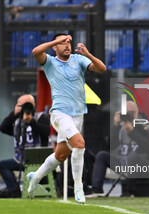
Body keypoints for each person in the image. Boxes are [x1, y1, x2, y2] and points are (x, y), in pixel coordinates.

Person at [27, 33, 106, 204]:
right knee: (80, 144)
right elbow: (35, 51)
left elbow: (102, 69)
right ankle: (79, 187)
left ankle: (35, 176)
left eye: (69, 42)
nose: (67, 45)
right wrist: (57, 40)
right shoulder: (50, 62)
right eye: (63, 43)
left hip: (78, 114)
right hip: (60, 114)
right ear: (55, 47)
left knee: (60, 155)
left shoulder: (78, 60)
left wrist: (88, 55)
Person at [88, 101, 149, 197]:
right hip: (125, 165)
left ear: (137, 112)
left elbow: (148, 146)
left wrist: (132, 131)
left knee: (133, 156)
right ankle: (97, 190)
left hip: (147, 167)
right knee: (102, 156)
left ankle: (129, 192)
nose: (129, 115)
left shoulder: (146, 125)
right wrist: (115, 125)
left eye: (132, 112)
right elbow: (110, 145)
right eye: (126, 112)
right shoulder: (121, 129)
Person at [0, 94, 50, 198]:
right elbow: (3, 128)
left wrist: (31, 121)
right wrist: (14, 114)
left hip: (38, 160)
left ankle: (42, 191)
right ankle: (15, 192)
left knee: (43, 179)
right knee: (3, 165)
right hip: (19, 159)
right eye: (20, 105)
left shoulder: (40, 117)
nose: (24, 108)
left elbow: (45, 132)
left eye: (26, 105)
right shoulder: (17, 121)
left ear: (33, 105)